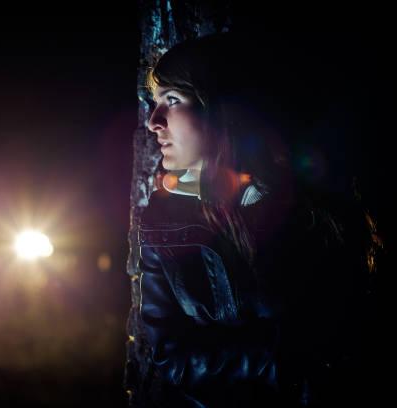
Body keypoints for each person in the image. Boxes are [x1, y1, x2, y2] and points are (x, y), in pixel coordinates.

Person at [138, 34, 379, 407]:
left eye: (172, 100)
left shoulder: (307, 206)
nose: (153, 122)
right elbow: (171, 358)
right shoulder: (160, 221)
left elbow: (345, 334)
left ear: (218, 106)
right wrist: (270, 359)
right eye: (155, 103)